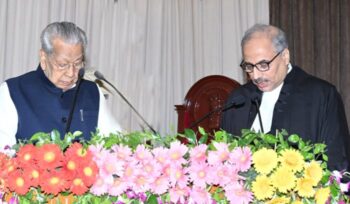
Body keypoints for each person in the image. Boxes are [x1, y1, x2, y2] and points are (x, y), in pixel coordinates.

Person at [221, 24, 350, 171]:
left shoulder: (321, 96)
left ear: (285, 56)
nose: (256, 76)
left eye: (263, 64)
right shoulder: (238, 99)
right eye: (249, 66)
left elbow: (338, 163)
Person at [0, 21, 122, 149]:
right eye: (62, 64)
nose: (71, 73)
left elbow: (114, 142)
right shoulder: (12, 91)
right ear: (43, 57)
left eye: (77, 63)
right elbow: (3, 153)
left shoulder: (92, 92)